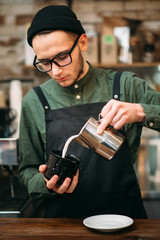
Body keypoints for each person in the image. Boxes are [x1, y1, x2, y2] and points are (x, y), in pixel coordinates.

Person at [18, 5, 160, 218]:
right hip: (61, 223)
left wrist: (141, 111)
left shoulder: (126, 85)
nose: (55, 71)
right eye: (45, 63)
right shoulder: (34, 101)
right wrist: (46, 184)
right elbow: (26, 171)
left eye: (63, 57)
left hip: (123, 218)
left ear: (82, 43)